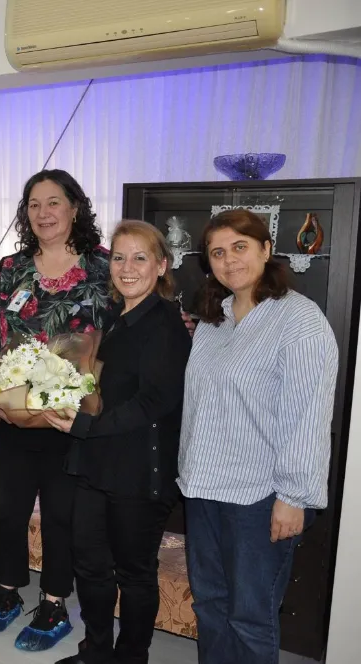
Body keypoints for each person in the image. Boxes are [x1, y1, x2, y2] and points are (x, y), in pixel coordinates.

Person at [179, 209, 337, 664]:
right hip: (203, 488)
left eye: (240, 247)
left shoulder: (299, 320)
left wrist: (294, 496)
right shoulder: (215, 320)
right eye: (217, 253)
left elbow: (308, 414)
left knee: (250, 616)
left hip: (259, 497)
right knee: (210, 605)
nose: (229, 260)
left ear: (267, 249)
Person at [0, 169, 114, 652]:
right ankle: (6, 591)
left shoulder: (104, 267)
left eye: (54, 202)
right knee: (7, 511)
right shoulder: (12, 268)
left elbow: (119, 342)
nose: (43, 213)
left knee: (61, 516)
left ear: (75, 207)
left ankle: (54, 602)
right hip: (14, 417)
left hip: (72, 420)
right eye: (34, 204)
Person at [43, 220, 192, 664]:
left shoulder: (165, 324)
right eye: (120, 258)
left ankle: (130, 658)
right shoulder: (114, 318)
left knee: (134, 573)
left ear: (161, 266)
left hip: (139, 473)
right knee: (89, 565)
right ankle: (95, 651)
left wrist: (84, 426)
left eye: (140, 258)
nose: (127, 268)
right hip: (96, 464)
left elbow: (154, 402)